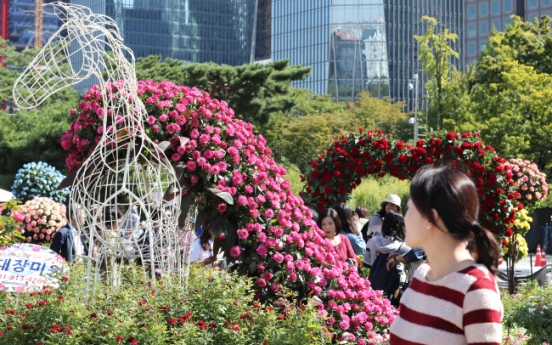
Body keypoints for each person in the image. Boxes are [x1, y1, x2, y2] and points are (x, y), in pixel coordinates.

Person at [389, 167, 502, 345]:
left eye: (409, 208)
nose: (404, 218)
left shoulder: (475, 288)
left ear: (431, 218)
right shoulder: (421, 276)